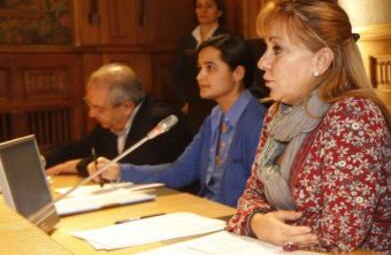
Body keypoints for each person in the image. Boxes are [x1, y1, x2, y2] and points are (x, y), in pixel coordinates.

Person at [227, 0, 391, 253]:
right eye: (266, 48)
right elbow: (250, 195)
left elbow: (342, 234)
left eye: (277, 49)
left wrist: (266, 227)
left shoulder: (354, 116)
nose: (262, 62)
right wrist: (258, 222)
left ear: (321, 61)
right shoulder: (278, 113)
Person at [89, 35, 266, 207]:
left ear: (238, 73)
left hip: (237, 222)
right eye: (200, 68)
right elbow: (181, 170)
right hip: (209, 213)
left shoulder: (258, 121)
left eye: (210, 68)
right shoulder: (215, 117)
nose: (199, 76)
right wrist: (120, 171)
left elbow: (260, 193)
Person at [44, 63, 191, 177]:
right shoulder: (112, 119)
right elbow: (81, 148)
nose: (91, 114)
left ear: (127, 106)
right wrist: (42, 159)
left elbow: (125, 167)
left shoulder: (161, 121)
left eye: (99, 108)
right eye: (89, 104)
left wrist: (75, 166)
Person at [173, 0, 230, 134]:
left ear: (219, 11)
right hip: (193, 103)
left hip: (217, 99)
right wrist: (184, 101)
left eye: (209, 6)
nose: (202, 10)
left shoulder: (228, 38)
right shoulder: (187, 39)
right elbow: (177, 73)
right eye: (199, 6)